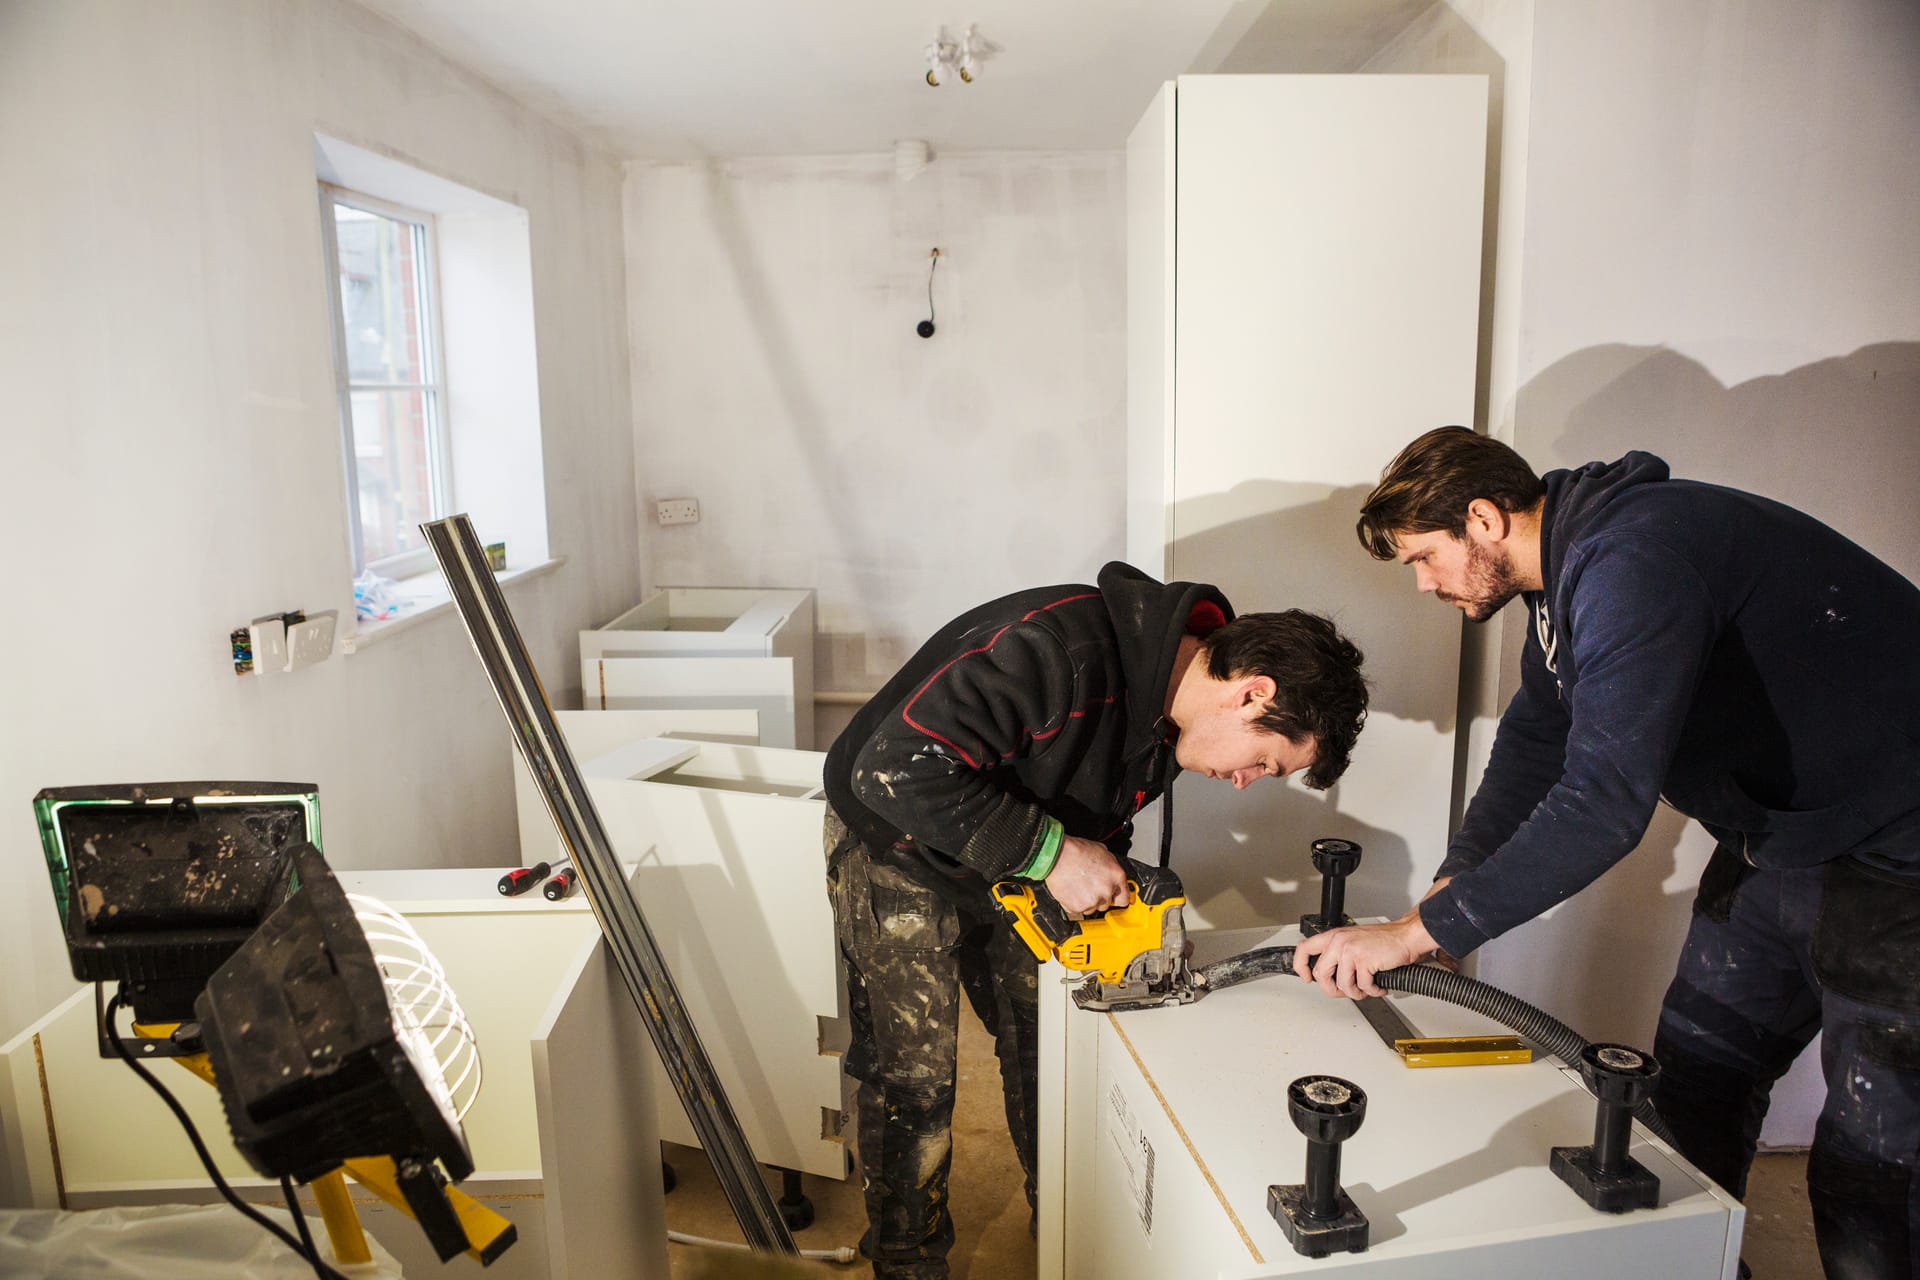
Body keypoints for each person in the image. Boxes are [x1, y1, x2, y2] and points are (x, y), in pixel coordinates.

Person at [1294, 426, 1920, 1277]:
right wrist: (1455, 882)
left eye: (1423, 557)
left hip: (1900, 854)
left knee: (1872, 1171)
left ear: (1482, 519)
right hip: (1780, 843)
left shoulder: (1635, 558)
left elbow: (1602, 807)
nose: (1423, 583)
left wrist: (1414, 933)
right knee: (1690, 1101)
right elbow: (1535, 743)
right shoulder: (1564, 579)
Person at [823, 560, 1368, 1278]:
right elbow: (892, 770)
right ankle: (908, 1261)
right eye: (1264, 763)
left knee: (1046, 1043)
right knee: (915, 1076)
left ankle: (1064, 1224)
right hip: (895, 840)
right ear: (1251, 692)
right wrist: (1051, 853)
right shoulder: (1055, 650)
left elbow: (1095, 801)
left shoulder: (1175, 713)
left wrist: (1120, 905)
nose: (1244, 783)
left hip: (1014, 849)